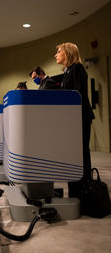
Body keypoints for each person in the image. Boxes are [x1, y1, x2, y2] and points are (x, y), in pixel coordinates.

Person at [55, 42, 95, 198]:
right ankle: (75, 191)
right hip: (72, 120)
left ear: (68, 53)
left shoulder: (77, 68)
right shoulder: (67, 71)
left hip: (80, 118)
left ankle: (84, 192)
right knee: (74, 155)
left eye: (59, 51)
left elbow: (77, 95)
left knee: (81, 154)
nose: (56, 54)